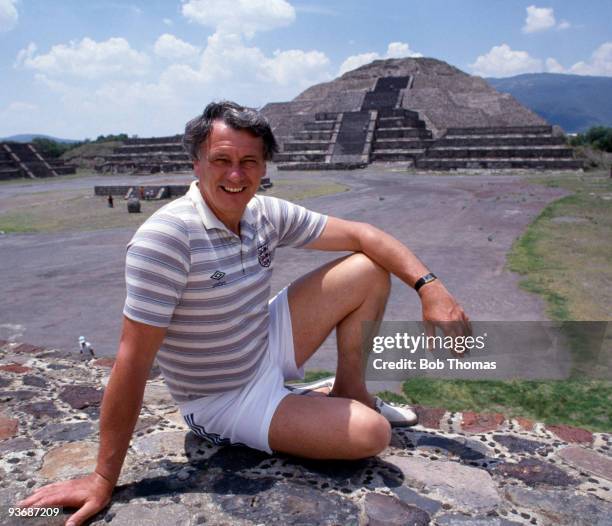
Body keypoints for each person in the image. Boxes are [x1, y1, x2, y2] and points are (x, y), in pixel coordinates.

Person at [19, 101, 470, 525]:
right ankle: (295, 409)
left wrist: (431, 288)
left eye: (249, 162)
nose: (236, 174)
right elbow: (132, 362)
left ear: (264, 167)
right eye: (221, 160)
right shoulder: (167, 239)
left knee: (369, 268)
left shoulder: (263, 213)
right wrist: (103, 478)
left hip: (262, 342)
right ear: (196, 163)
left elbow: (365, 233)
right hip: (224, 398)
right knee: (372, 437)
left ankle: (350, 390)